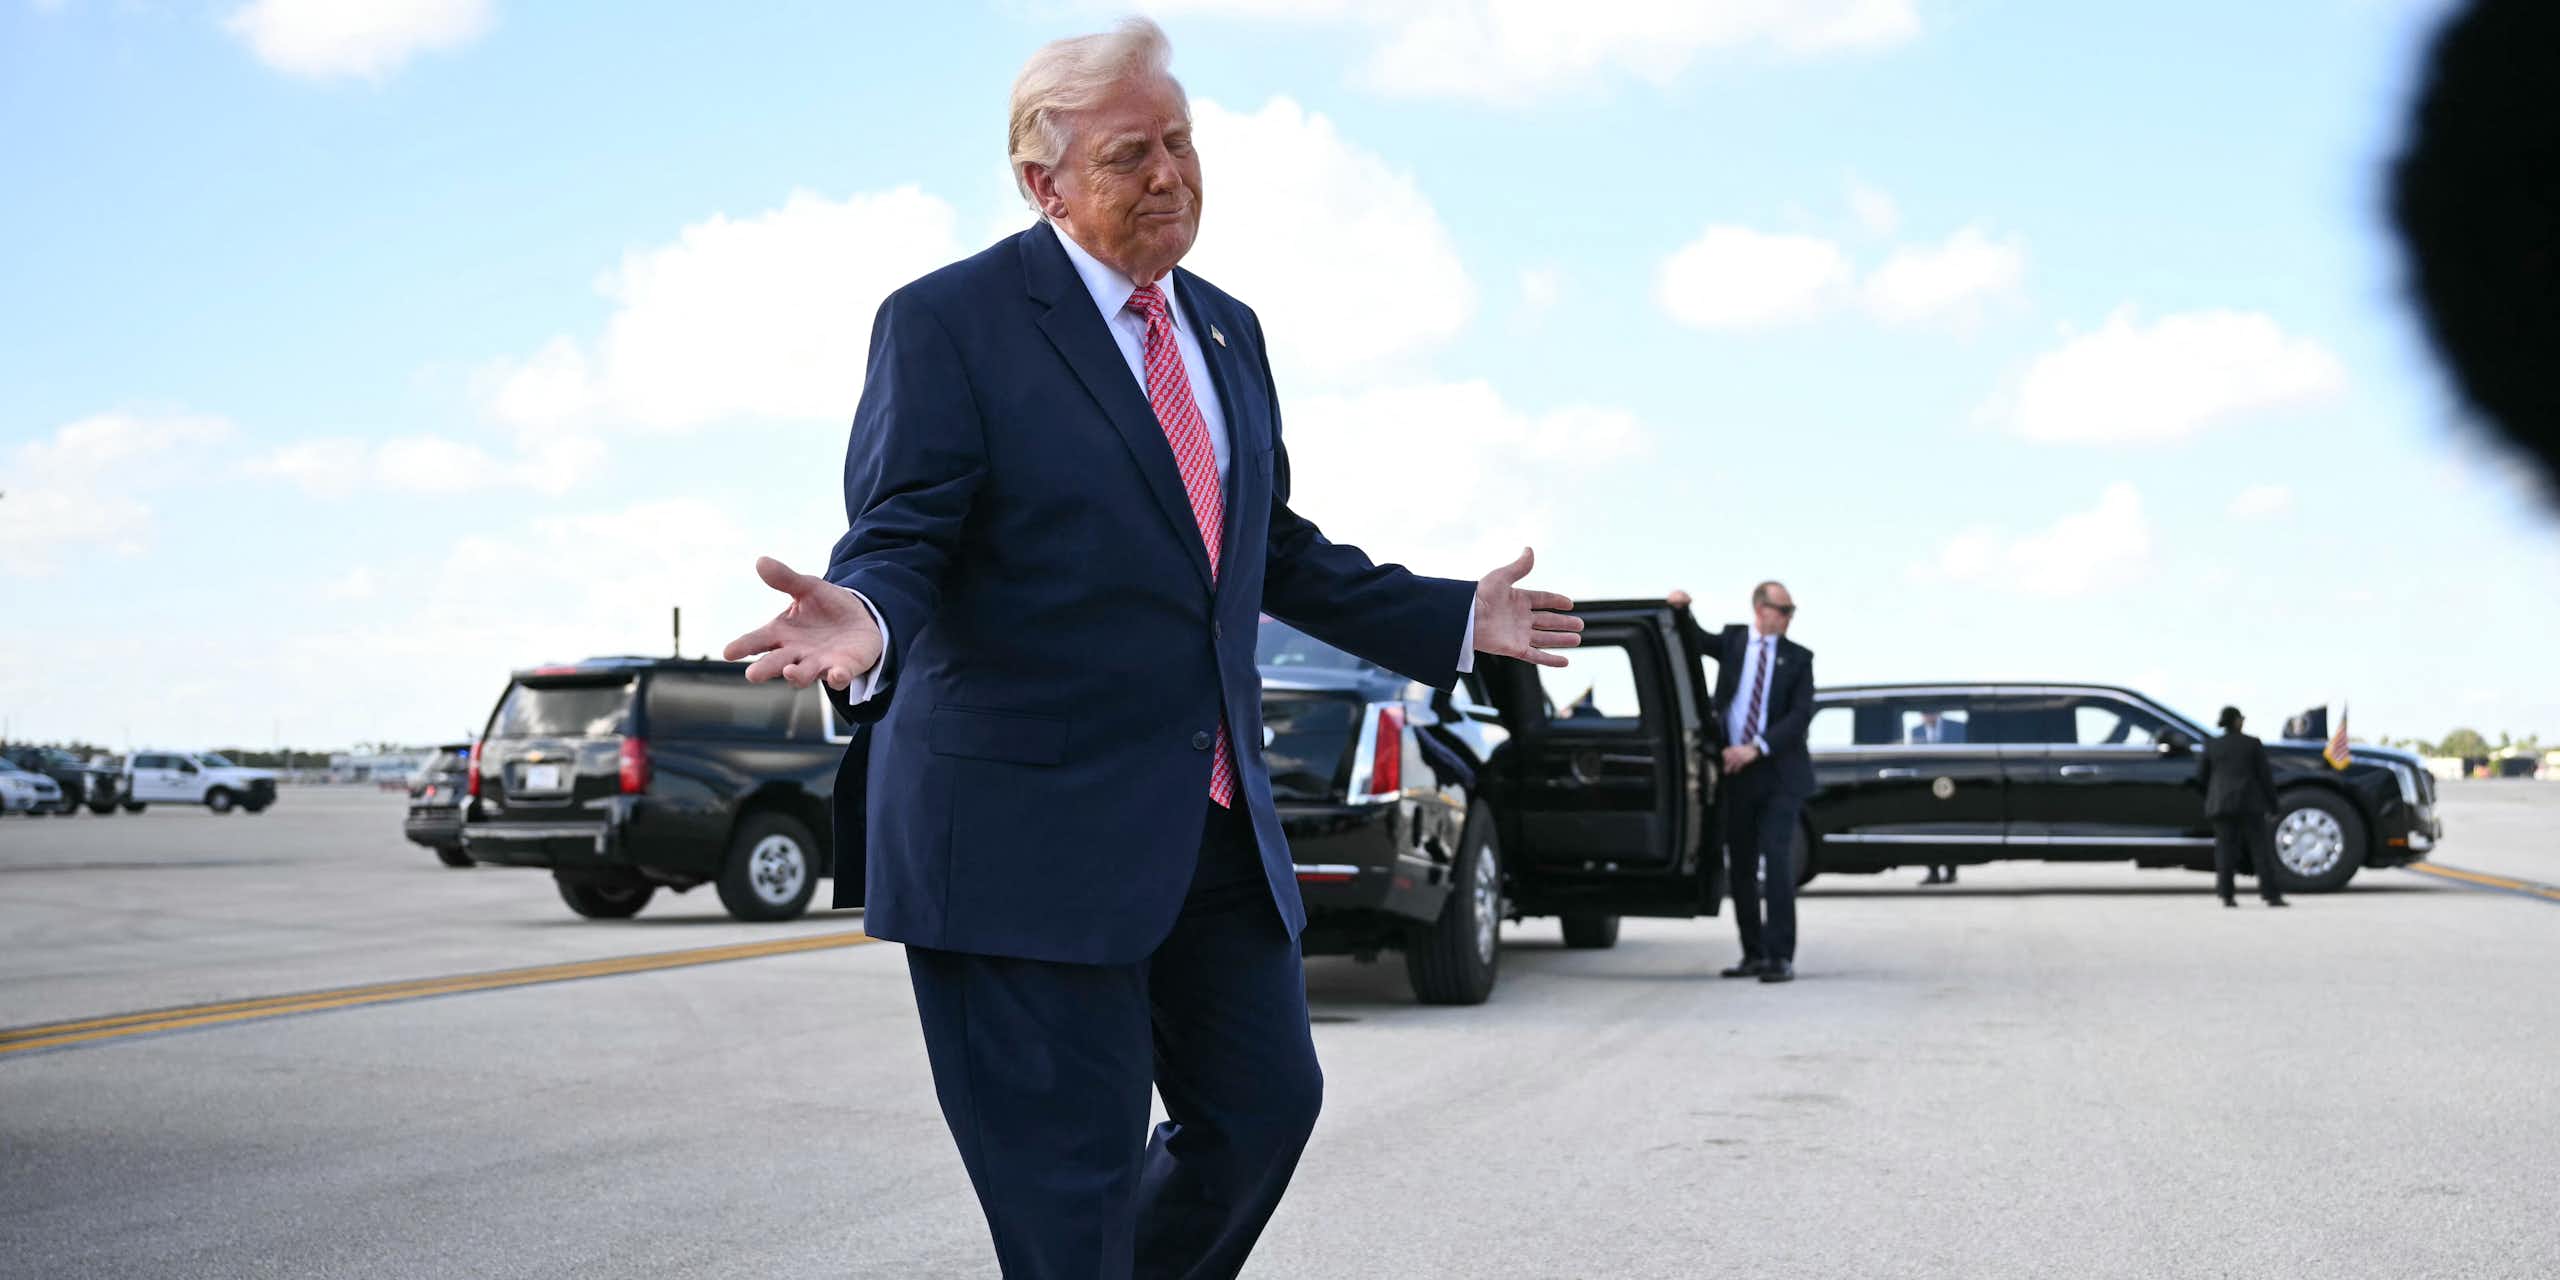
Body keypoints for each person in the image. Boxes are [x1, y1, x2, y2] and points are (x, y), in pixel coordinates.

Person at [721, 20, 1583, 1277]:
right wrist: (866, 614)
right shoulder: (951, 322)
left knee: (1262, 1112)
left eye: (1180, 141)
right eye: (1131, 155)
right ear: (1043, 184)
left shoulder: (1226, 331)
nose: (1171, 173)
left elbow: (1264, 544)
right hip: (1020, 831)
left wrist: (1451, 616)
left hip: (1207, 815)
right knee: (1065, 1191)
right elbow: (904, 527)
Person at [1669, 584, 1815, 984]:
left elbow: (1801, 715)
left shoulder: (1799, 659)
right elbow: (1693, 641)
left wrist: (1756, 748)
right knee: (1742, 869)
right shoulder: (1734, 641)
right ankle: (1753, 953)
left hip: (1779, 773)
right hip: (1734, 774)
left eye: (1791, 611)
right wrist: (1682, 610)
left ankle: (1780, 957)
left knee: (1778, 861)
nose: (1787, 618)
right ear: (1760, 609)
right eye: (1782, 609)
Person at [2200, 706, 2288, 909]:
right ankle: (2271, 895)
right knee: (2260, 852)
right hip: (2250, 804)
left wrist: (2212, 797)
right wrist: (2274, 806)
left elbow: (2202, 776)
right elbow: (2265, 778)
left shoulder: (2212, 745)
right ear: (2237, 721)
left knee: (2225, 852)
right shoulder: (2252, 744)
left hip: (2221, 805)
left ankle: (2226, 896)